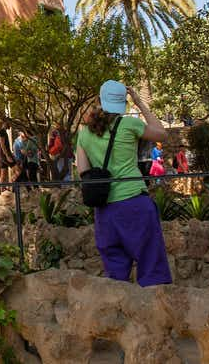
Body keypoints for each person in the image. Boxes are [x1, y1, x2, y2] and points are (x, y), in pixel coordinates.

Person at [74, 80, 172, 287]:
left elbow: (83, 170)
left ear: (100, 100)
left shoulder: (84, 134)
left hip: (105, 211)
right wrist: (139, 102)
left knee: (115, 278)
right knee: (152, 269)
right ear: (123, 103)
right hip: (135, 203)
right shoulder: (129, 124)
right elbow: (162, 134)